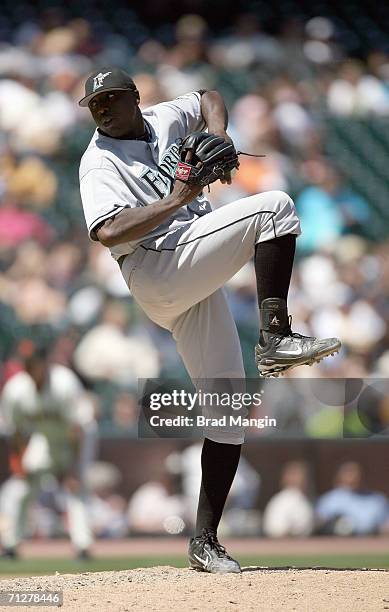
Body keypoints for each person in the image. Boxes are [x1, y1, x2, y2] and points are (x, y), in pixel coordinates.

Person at [78, 67, 340, 573]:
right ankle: (275, 335)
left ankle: (204, 541)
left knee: (226, 407)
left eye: (112, 98)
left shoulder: (161, 118)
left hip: (189, 270)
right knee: (276, 207)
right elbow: (108, 231)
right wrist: (177, 199)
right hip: (155, 266)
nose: (104, 109)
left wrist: (219, 134)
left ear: (134, 97)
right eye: (95, 104)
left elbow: (208, 96)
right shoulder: (98, 162)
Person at [0, 346, 96, 559]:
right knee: (23, 486)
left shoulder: (64, 383)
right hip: (43, 438)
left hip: (77, 438)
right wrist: (19, 462)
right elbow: (15, 431)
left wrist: (73, 468)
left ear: (45, 364)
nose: (32, 369)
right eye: (28, 365)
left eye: (36, 364)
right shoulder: (16, 390)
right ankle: (10, 544)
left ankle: (82, 545)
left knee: (75, 489)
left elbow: (77, 429)